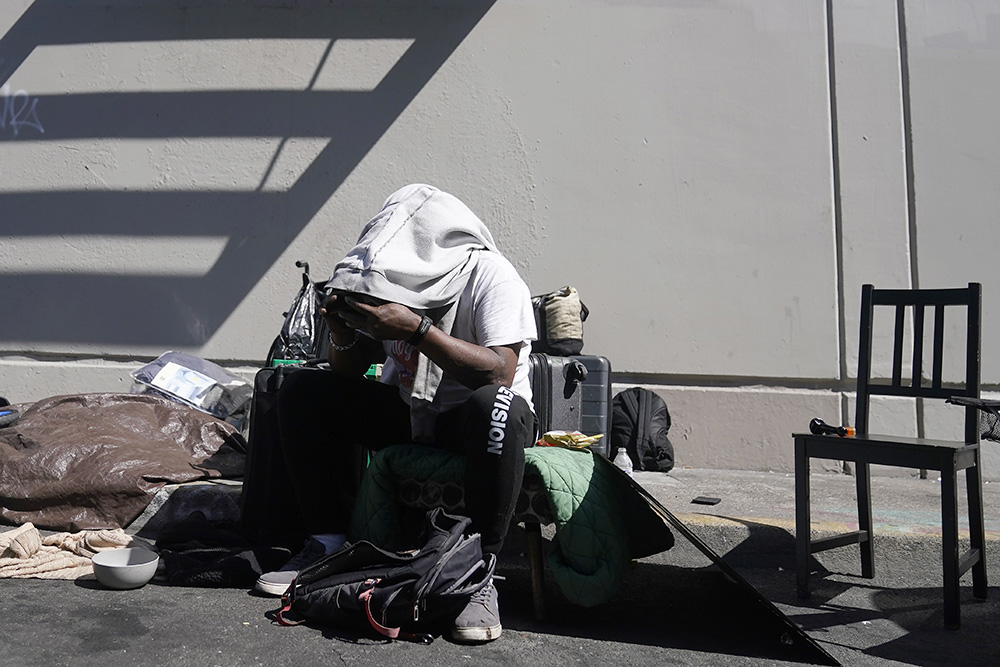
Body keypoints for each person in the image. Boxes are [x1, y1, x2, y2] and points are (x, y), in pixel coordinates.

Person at [255, 184, 537, 643]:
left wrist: (418, 329)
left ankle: (478, 573)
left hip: (482, 422)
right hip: (413, 413)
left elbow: (499, 373)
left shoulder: (492, 276)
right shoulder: (388, 281)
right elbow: (347, 370)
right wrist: (339, 327)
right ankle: (325, 542)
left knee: (494, 405)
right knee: (303, 390)